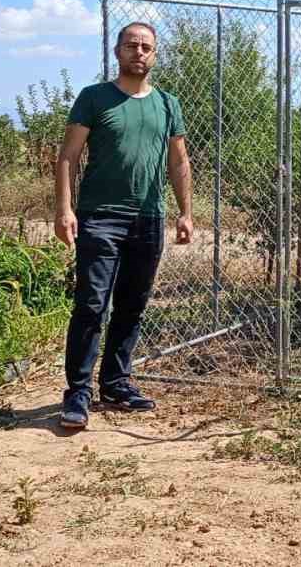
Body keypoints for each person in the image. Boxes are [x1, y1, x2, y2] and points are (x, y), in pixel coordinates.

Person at [53, 21, 193, 430]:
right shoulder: (94, 98)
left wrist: (185, 213)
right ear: (117, 51)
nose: (139, 51)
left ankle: (115, 383)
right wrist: (65, 210)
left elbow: (179, 161)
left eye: (147, 46)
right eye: (132, 44)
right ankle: (78, 392)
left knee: (132, 306)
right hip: (100, 217)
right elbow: (67, 157)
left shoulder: (168, 104)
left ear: (154, 55)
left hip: (149, 218)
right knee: (92, 304)